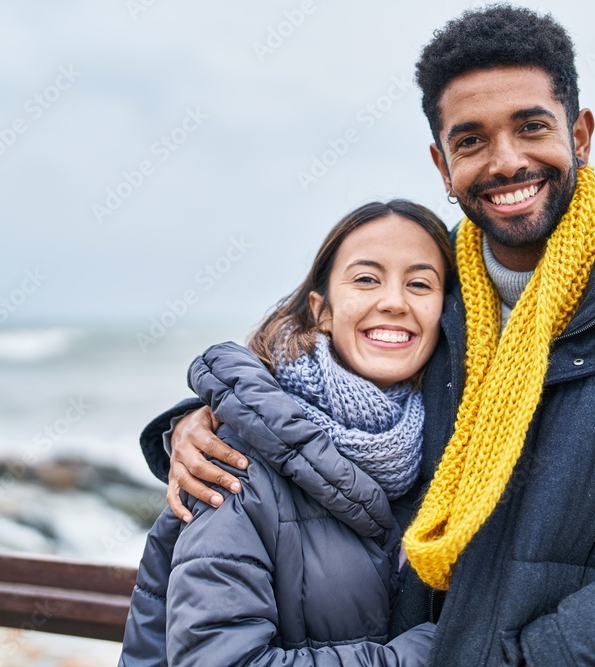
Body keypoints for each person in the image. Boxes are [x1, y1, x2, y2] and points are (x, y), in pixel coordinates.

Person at [140, 6, 595, 666]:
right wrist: (198, 426)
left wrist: (557, 649)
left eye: (532, 126)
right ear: (442, 167)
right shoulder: (427, 309)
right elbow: (317, 410)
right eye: (472, 141)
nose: (506, 160)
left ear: (580, 134)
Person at [119, 200, 454, 666]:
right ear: (321, 310)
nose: (394, 301)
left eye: (419, 283)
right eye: (365, 279)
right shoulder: (234, 457)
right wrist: (437, 654)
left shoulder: (458, 446)